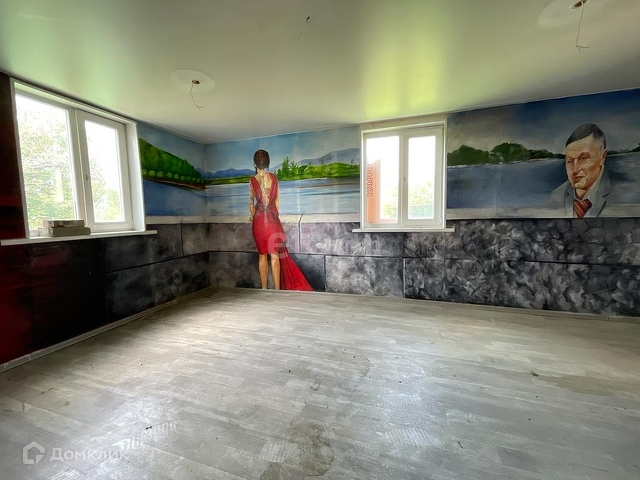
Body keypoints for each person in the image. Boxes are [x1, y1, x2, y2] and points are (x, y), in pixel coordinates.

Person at [249, 149, 312, 291]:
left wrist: (254, 216)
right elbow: (277, 202)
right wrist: (273, 214)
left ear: (255, 163)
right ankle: (277, 289)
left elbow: (250, 203)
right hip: (273, 221)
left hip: (259, 222)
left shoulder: (252, 180)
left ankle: (264, 288)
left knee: (262, 256)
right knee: (275, 255)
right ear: (267, 162)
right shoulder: (274, 178)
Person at [548, 123, 611, 218]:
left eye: (584, 158)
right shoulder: (557, 196)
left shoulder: (624, 195)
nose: (575, 169)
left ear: (602, 157)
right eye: (569, 161)